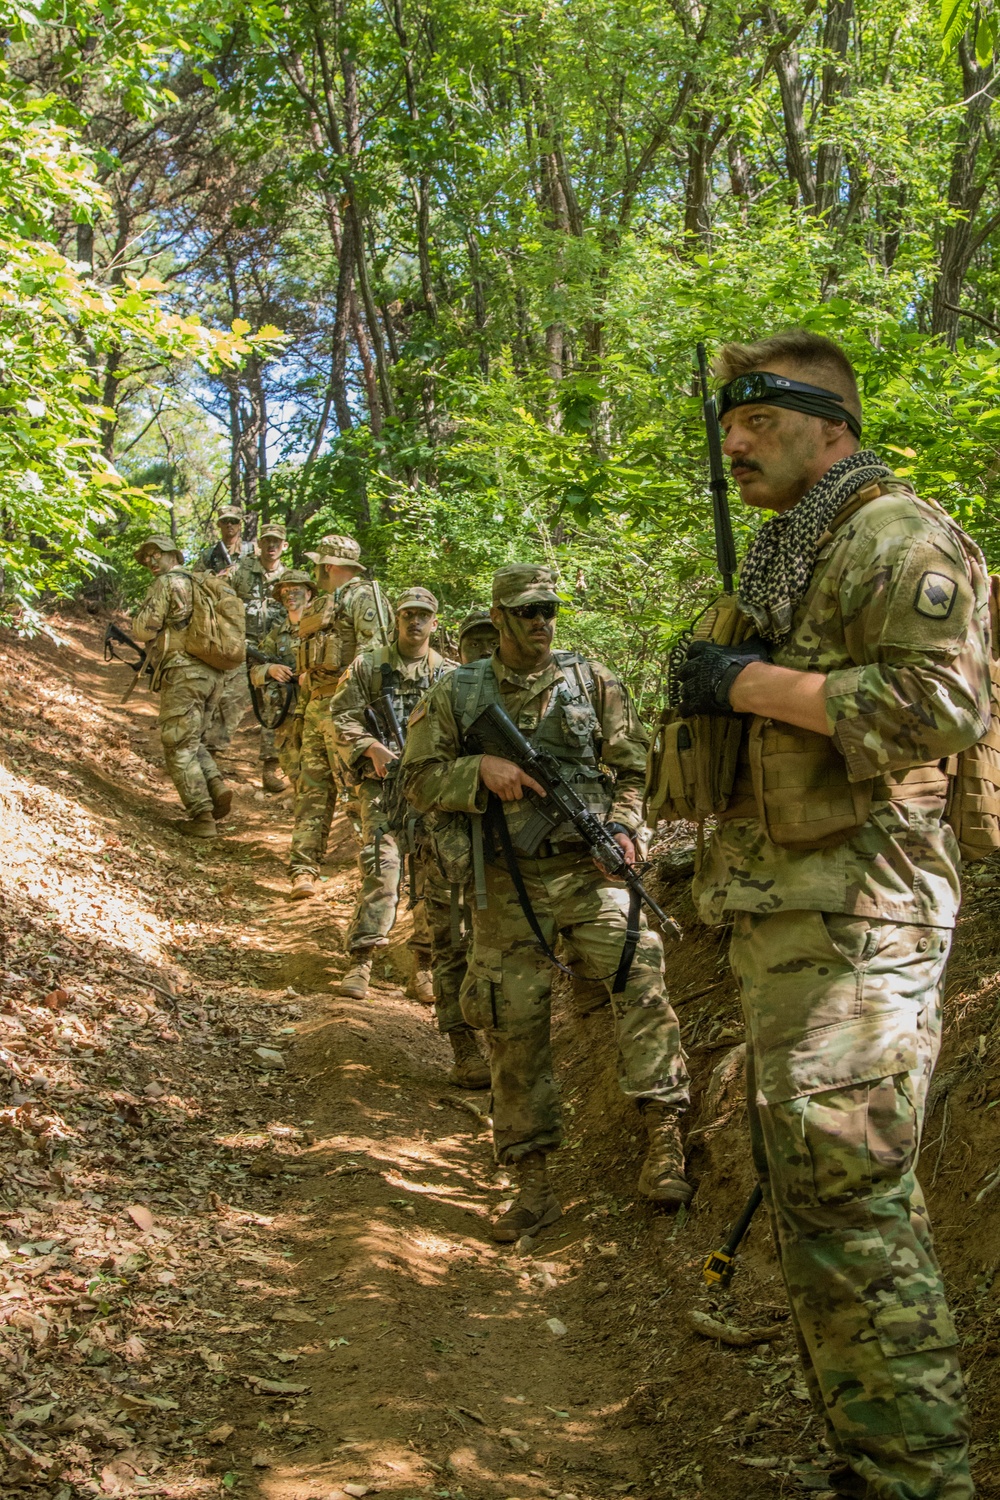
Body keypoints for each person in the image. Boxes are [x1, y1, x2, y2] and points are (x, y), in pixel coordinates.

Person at [675, 329, 989, 1500]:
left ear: (832, 424)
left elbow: (941, 705)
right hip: (792, 917)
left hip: (865, 918)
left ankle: (918, 1478)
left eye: (759, 417)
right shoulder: (786, 557)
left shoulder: (894, 538)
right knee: (816, 1206)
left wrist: (742, 684)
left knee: (853, 1208)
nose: (735, 439)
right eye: (727, 422)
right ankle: (868, 1460)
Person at [402, 564, 691, 1241]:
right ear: (497, 618)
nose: (540, 623)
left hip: (590, 876)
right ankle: (532, 1181)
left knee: (641, 972)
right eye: (526, 612)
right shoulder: (456, 691)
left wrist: (622, 829)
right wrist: (479, 771)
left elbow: (634, 770)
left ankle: (664, 1139)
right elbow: (415, 781)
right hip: (506, 884)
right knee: (512, 1022)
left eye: (548, 610)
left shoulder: (592, 682)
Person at [328, 587, 451, 1007]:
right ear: (396, 620)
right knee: (382, 869)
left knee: (437, 876)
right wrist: (370, 747)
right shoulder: (368, 666)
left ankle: (426, 966)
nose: (415, 622)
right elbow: (340, 715)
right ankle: (361, 961)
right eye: (407, 615)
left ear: (435, 623)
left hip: (433, 791)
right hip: (383, 788)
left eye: (423, 615)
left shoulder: (449, 674)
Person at [288, 535, 392, 900]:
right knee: (311, 788)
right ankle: (304, 869)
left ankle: (376, 875)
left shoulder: (364, 597)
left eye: (319, 564)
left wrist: (356, 710)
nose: (315, 570)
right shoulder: (323, 602)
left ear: (329, 565)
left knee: (355, 793)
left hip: (345, 710)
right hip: (317, 705)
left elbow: (375, 655)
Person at [131, 534, 232, 838]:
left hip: (184, 672)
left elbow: (141, 628)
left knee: (178, 744)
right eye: (146, 556)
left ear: (172, 555)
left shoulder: (168, 583)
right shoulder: (202, 582)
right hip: (213, 672)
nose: (150, 561)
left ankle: (202, 817)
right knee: (193, 738)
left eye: (155, 554)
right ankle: (215, 787)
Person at [228, 523, 289, 792]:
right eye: (267, 541)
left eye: (277, 541)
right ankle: (211, 759)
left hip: (274, 652)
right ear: (259, 545)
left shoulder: (291, 579)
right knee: (227, 698)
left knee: (274, 703)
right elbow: (216, 593)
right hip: (241, 647)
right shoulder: (240, 572)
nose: (271, 546)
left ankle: (270, 767)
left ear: (284, 546)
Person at [248, 569, 315, 791]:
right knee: (294, 770)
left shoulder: (322, 629)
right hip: (286, 717)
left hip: (318, 713)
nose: (290, 595)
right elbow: (253, 672)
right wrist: (270, 669)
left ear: (309, 594)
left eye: (296, 590)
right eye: (285, 591)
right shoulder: (276, 635)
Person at [201, 505, 255, 576]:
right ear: (219, 524)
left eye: (233, 521)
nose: (229, 524)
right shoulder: (209, 555)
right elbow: (196, 578)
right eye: (225, 521)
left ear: (239, 524)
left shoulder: (252, 549)